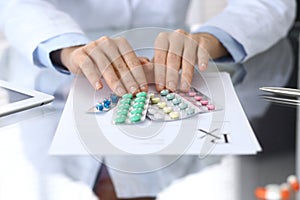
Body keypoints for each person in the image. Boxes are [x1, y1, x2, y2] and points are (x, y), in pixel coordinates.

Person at [0, 0, 296, 200]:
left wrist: (210, 40)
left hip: (173, 48)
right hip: (62, 50)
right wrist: (65, 48)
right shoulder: (199, 163)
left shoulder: (45, 163)